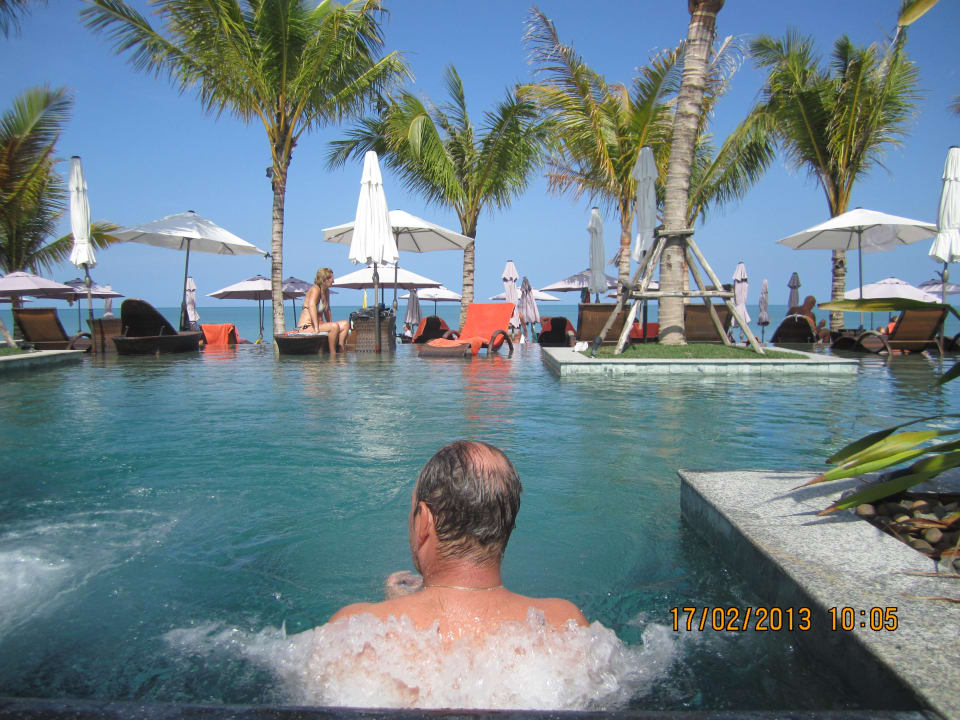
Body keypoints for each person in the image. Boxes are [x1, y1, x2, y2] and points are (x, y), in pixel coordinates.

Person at [328, 440, 588, 641]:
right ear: (505, 525)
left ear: (424, 522)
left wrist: (396, 608)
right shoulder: (565, 623)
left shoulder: (354, 629)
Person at [297, 268, 349, 353]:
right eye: (332, 279)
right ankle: (333, 354)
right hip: (307, 326)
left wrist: (330, 323)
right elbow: (312, 306)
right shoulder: (315, 289)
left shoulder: (326, 291)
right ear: (325, 279)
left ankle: (341, 350)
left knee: (345, 324)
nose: (333, 281)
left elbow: (327, 310)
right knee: (334, 326)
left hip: (321, 324)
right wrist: (316, 328)